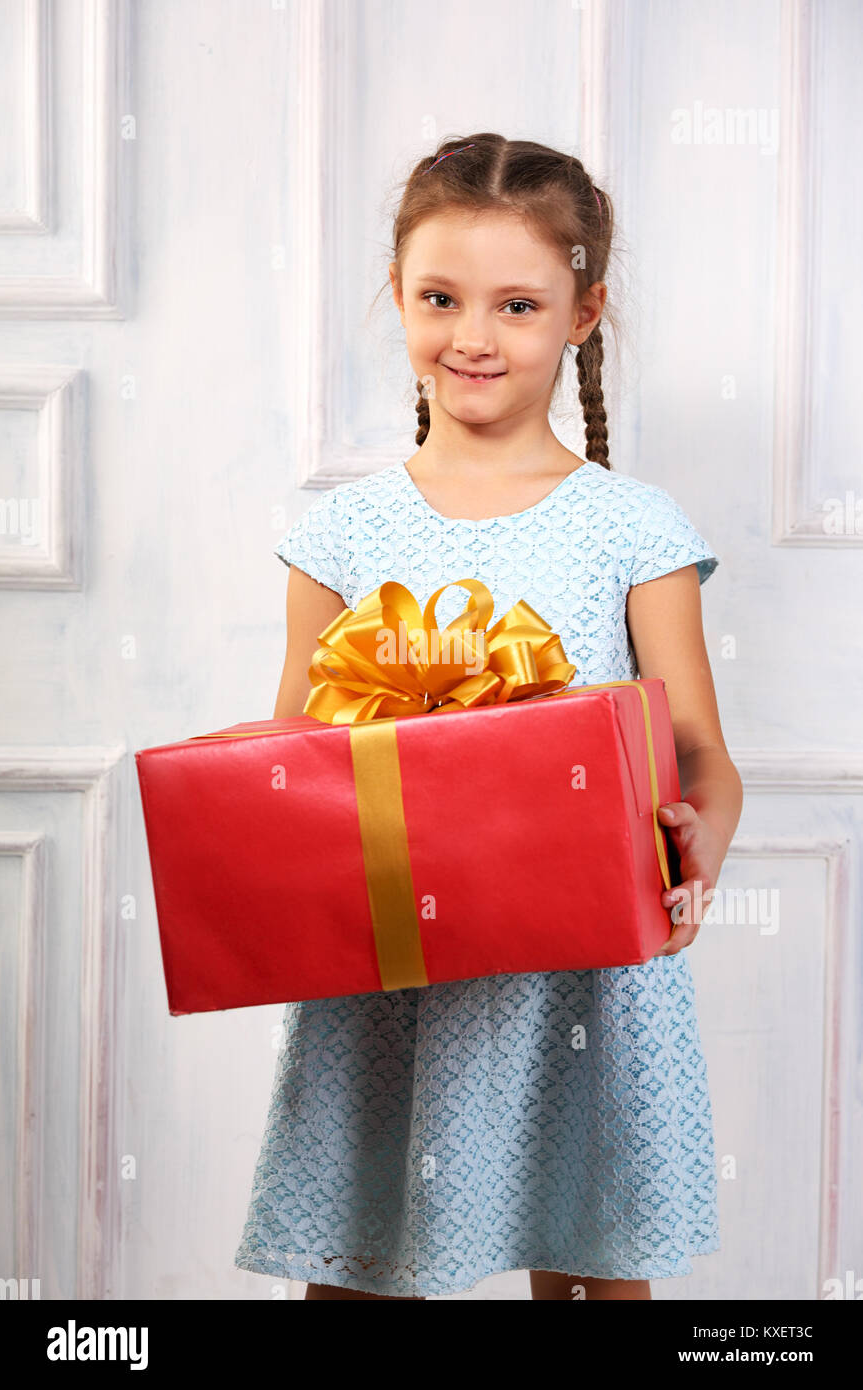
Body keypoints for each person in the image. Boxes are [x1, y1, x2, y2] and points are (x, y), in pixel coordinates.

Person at [233, 133, 743, 1301]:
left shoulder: (632, 525)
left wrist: (698, 844)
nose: (472, 335)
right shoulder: (343, 532)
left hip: (584, 977)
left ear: (581, 311)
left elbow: (700, 754)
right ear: (398, 300)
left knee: (593, 1265)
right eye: (439, 298)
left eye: (516, 303)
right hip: (390, 981)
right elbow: (291, 760)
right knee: (359, 1259)